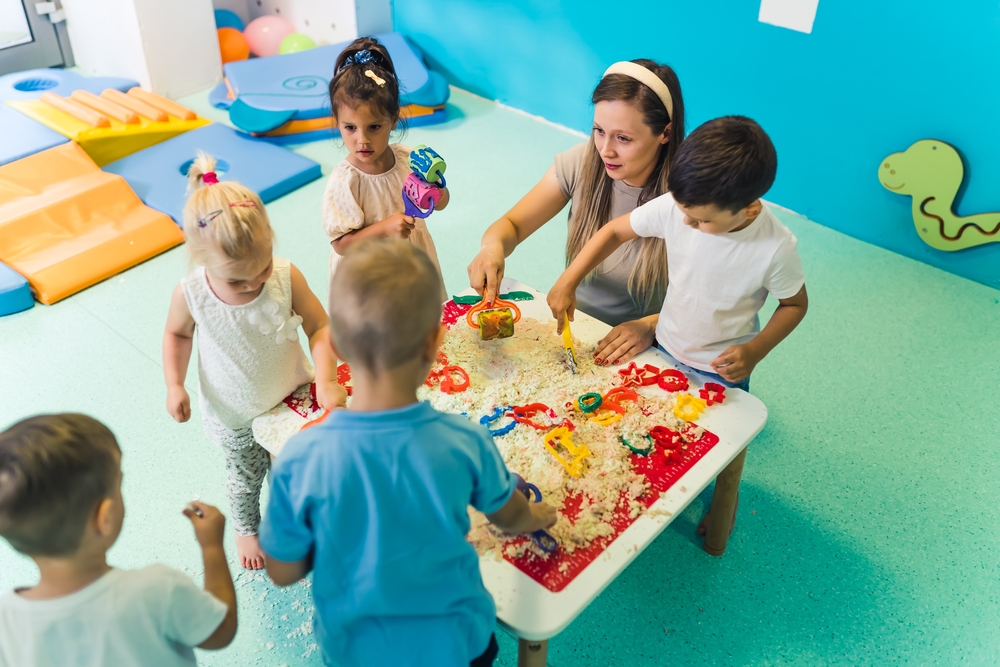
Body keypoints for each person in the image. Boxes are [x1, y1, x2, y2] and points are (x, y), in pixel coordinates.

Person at [259, 238, 557, 667]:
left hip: (354, 651)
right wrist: (538, 516)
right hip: (456, 643)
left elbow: (283, 571)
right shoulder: (464, 441)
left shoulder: (301, 458)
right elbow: (510, 517)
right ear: (435, 345)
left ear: (338, 344)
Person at [547, 116, 808, 535]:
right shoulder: (680, 207)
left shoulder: (776, 248)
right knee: (657, 427)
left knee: (727, 437)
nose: (686, 224)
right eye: (684, 212)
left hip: (721, 366)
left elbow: (794, 304)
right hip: (665, 345)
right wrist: (567, 280)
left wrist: (755, 350)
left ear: (749, 208)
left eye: (701, 220)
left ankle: (727, 493)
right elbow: (615, 231)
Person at [162, 153, 347, 570]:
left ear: (270, 239)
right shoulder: (191, 294)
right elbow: (176, 335)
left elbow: (319, 325)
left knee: (291, 470)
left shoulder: (284, 276)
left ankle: (293, 520)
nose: (253, 284)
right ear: (200, 258)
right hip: (235, 413)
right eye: (236, 279)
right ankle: (247, 528)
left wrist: (327, 376)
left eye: (261, 268)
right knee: (247, 479)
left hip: (291, 395)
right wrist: (175, 384)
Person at [468, 59, 685, 365]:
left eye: (623, 138)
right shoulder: (583, 162)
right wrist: (491, 249)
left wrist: (651, 326)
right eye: (599, 130)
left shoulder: (690, 196)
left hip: (649, 343)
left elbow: (714, 303)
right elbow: (512, 225)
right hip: (577, 329)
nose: (605, 150)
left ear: (665, 133)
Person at [0, 413, 237, 666]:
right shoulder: (156, 590)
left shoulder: (6, 621)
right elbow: (219, 632)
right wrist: (211, 548)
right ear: (104, 518)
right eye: (118, 484)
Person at [322, 35, 449, 298]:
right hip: (370, 276)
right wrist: (385, 228)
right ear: (338, 123)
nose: (362, 139)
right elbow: (341, 245)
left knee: (420, 323)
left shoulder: (407, 158)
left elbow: (440, 202)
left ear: (393, 120)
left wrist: (439, 190)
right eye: (350, 128)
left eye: (374, 127)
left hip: (411, 262)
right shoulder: (345, 181)